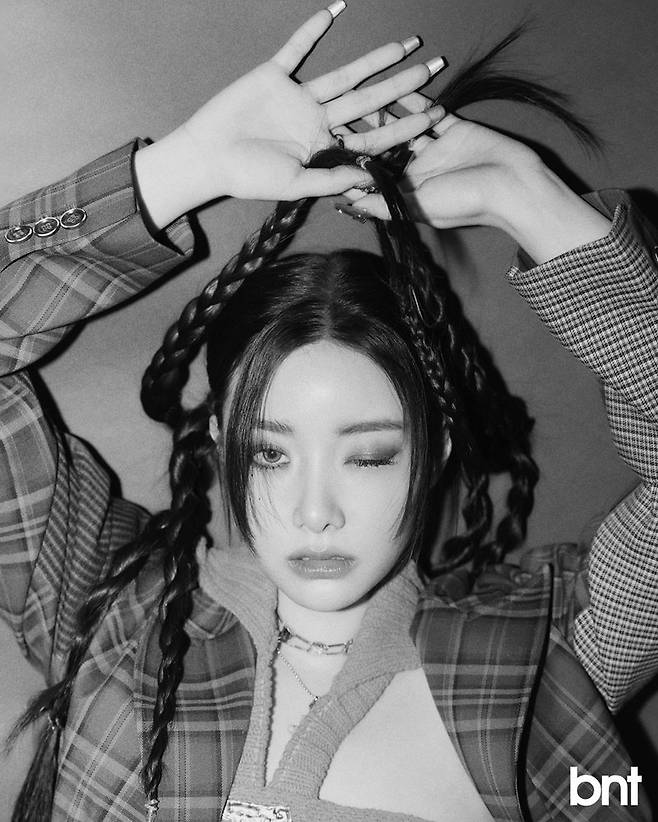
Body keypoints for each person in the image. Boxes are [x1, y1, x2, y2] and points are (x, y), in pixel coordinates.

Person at [0, 5, 656, 822]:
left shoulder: (540, 656)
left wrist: (532, 202)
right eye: (270, 453)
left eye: (369, 455)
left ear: (437, 449)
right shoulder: (114, 610)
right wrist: (173, 174)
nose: (315, 512)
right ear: (220, 444)